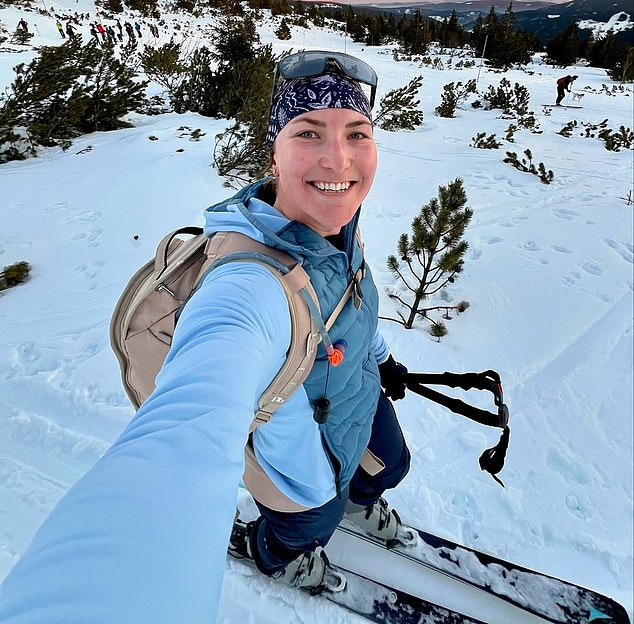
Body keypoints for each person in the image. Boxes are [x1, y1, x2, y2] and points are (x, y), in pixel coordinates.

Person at [0, 51, 411, 624]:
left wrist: (383, 359)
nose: (336, 156)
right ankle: (273, 552)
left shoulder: (337, 231)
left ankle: (360, 501)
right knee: (309, 522)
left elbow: (354, 305)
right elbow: (185, 435)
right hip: (302, 469)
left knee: (391, 464)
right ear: (274, 148)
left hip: (357, 397)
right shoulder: (248, 283)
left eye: (356, 133)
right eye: (308, 131)